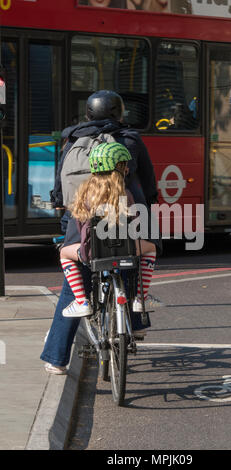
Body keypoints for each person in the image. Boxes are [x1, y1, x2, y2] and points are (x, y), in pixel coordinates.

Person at [41, 90, 162, 374]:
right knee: (132, 260)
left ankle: (57, 358)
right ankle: (135, 323)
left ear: (88, 114)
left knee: (76, 283)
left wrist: (63, 210)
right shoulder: (130, 139)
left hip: (81, 217)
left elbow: (60, 188)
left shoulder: (72, 139)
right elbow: (148, 180)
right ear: (119, 114)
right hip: (126, 216)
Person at [60, 141, 158, 321]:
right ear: (119, 168)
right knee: (151, 248)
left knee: (64, 254)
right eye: (124, 165)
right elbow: (135, 223)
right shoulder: (125, 193)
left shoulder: (83, 193)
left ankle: (81, 301)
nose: (127, 169)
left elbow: (80, 225)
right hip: (126, 249)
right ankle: (141, 297)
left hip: (92, 252)